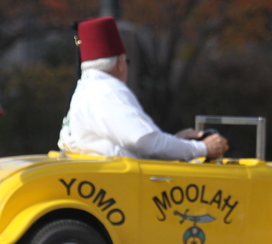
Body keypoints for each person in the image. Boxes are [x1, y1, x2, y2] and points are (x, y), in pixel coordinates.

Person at [58, 16, 228, 160]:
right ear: (120, 63)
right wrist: (202, 148)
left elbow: (135, 144)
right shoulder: (108, 90)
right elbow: (142, 140)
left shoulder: (86, 89)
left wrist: (175, 141)